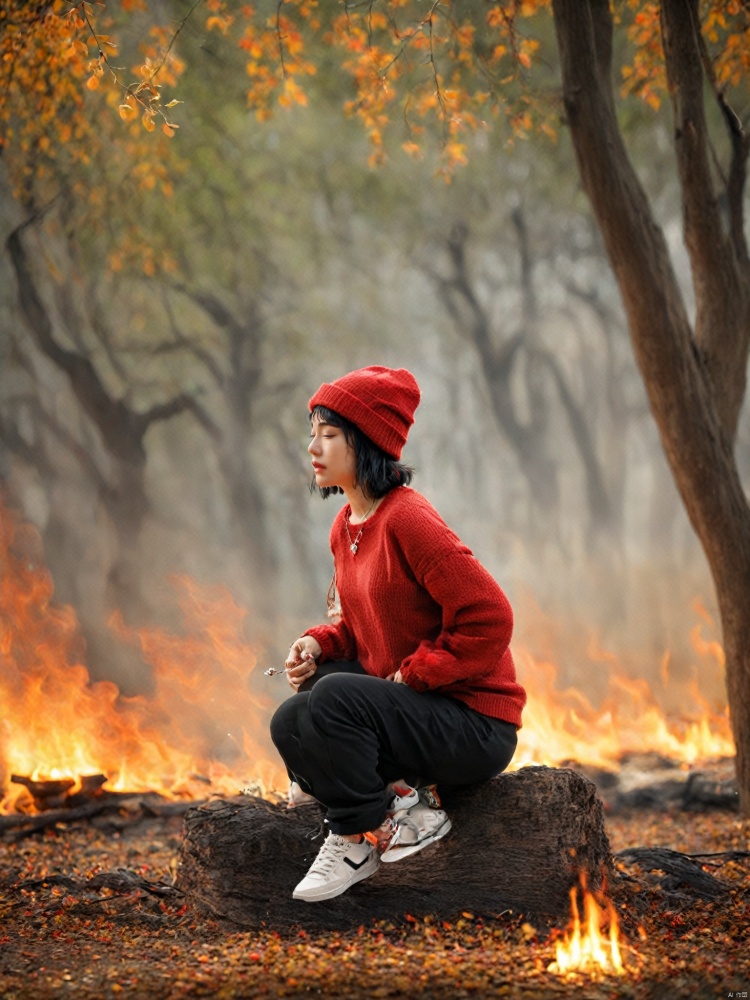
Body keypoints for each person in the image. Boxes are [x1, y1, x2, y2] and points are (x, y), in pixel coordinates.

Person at [270, 365, 526, 903]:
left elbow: (491, 616)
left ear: (363, 443)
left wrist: (418, 672)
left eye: (328, 434)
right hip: (417, 718)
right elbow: (363, 626)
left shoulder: (408, 518)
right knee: (293, 716)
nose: (313, 447)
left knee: (336, 696)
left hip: (472, 722)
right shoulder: (345, 527)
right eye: (312, 433)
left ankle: (360, 836)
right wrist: (319, 644)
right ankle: (390, 808)